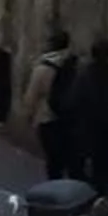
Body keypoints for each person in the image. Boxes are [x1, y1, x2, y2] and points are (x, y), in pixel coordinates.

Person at [69, 40, 108, 193]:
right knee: (104, 171)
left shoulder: (84, 74)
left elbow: (72, 102)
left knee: (78, 168)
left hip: (85, 130)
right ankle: (99, 199)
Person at [23, 29, 78, 181]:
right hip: (69, 119)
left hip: (47, 118)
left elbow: (32, 95)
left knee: (53, 160)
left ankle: (54, 188)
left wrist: (29, 114)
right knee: (65, 157)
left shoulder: (42, 68)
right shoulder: (74, 65)